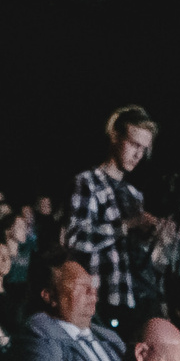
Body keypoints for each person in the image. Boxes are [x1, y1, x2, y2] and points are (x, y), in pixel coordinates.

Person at [62, 105, 159, 321]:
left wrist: (152, 236)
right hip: (103, 298)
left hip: (133, 296)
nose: (138, 155)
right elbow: (76, 238)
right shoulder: (88, 182)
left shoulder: (134, 194)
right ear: (115, 136)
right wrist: (127, 225)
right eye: (134, 144)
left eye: (143, 149)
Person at [18, 256, 129, 361]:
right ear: (49, 296)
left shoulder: (109, 337)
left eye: (92, 285)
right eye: (81, 286)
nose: (92, 292)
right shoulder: (39, 333)